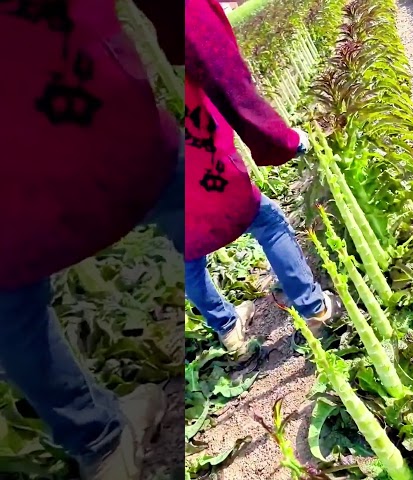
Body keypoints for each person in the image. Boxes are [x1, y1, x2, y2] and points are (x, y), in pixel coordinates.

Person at [0, 0, 185, 478]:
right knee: (177, 190)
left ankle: (102, 446)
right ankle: (258, 302)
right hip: (94, 110)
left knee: (9, 305)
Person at [184, 0, 343, 359]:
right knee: (265, 219)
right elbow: (222, 72)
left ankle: (230, 335)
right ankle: (315, 309)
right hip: (194, 160)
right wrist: (281, 141)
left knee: (183, 252)